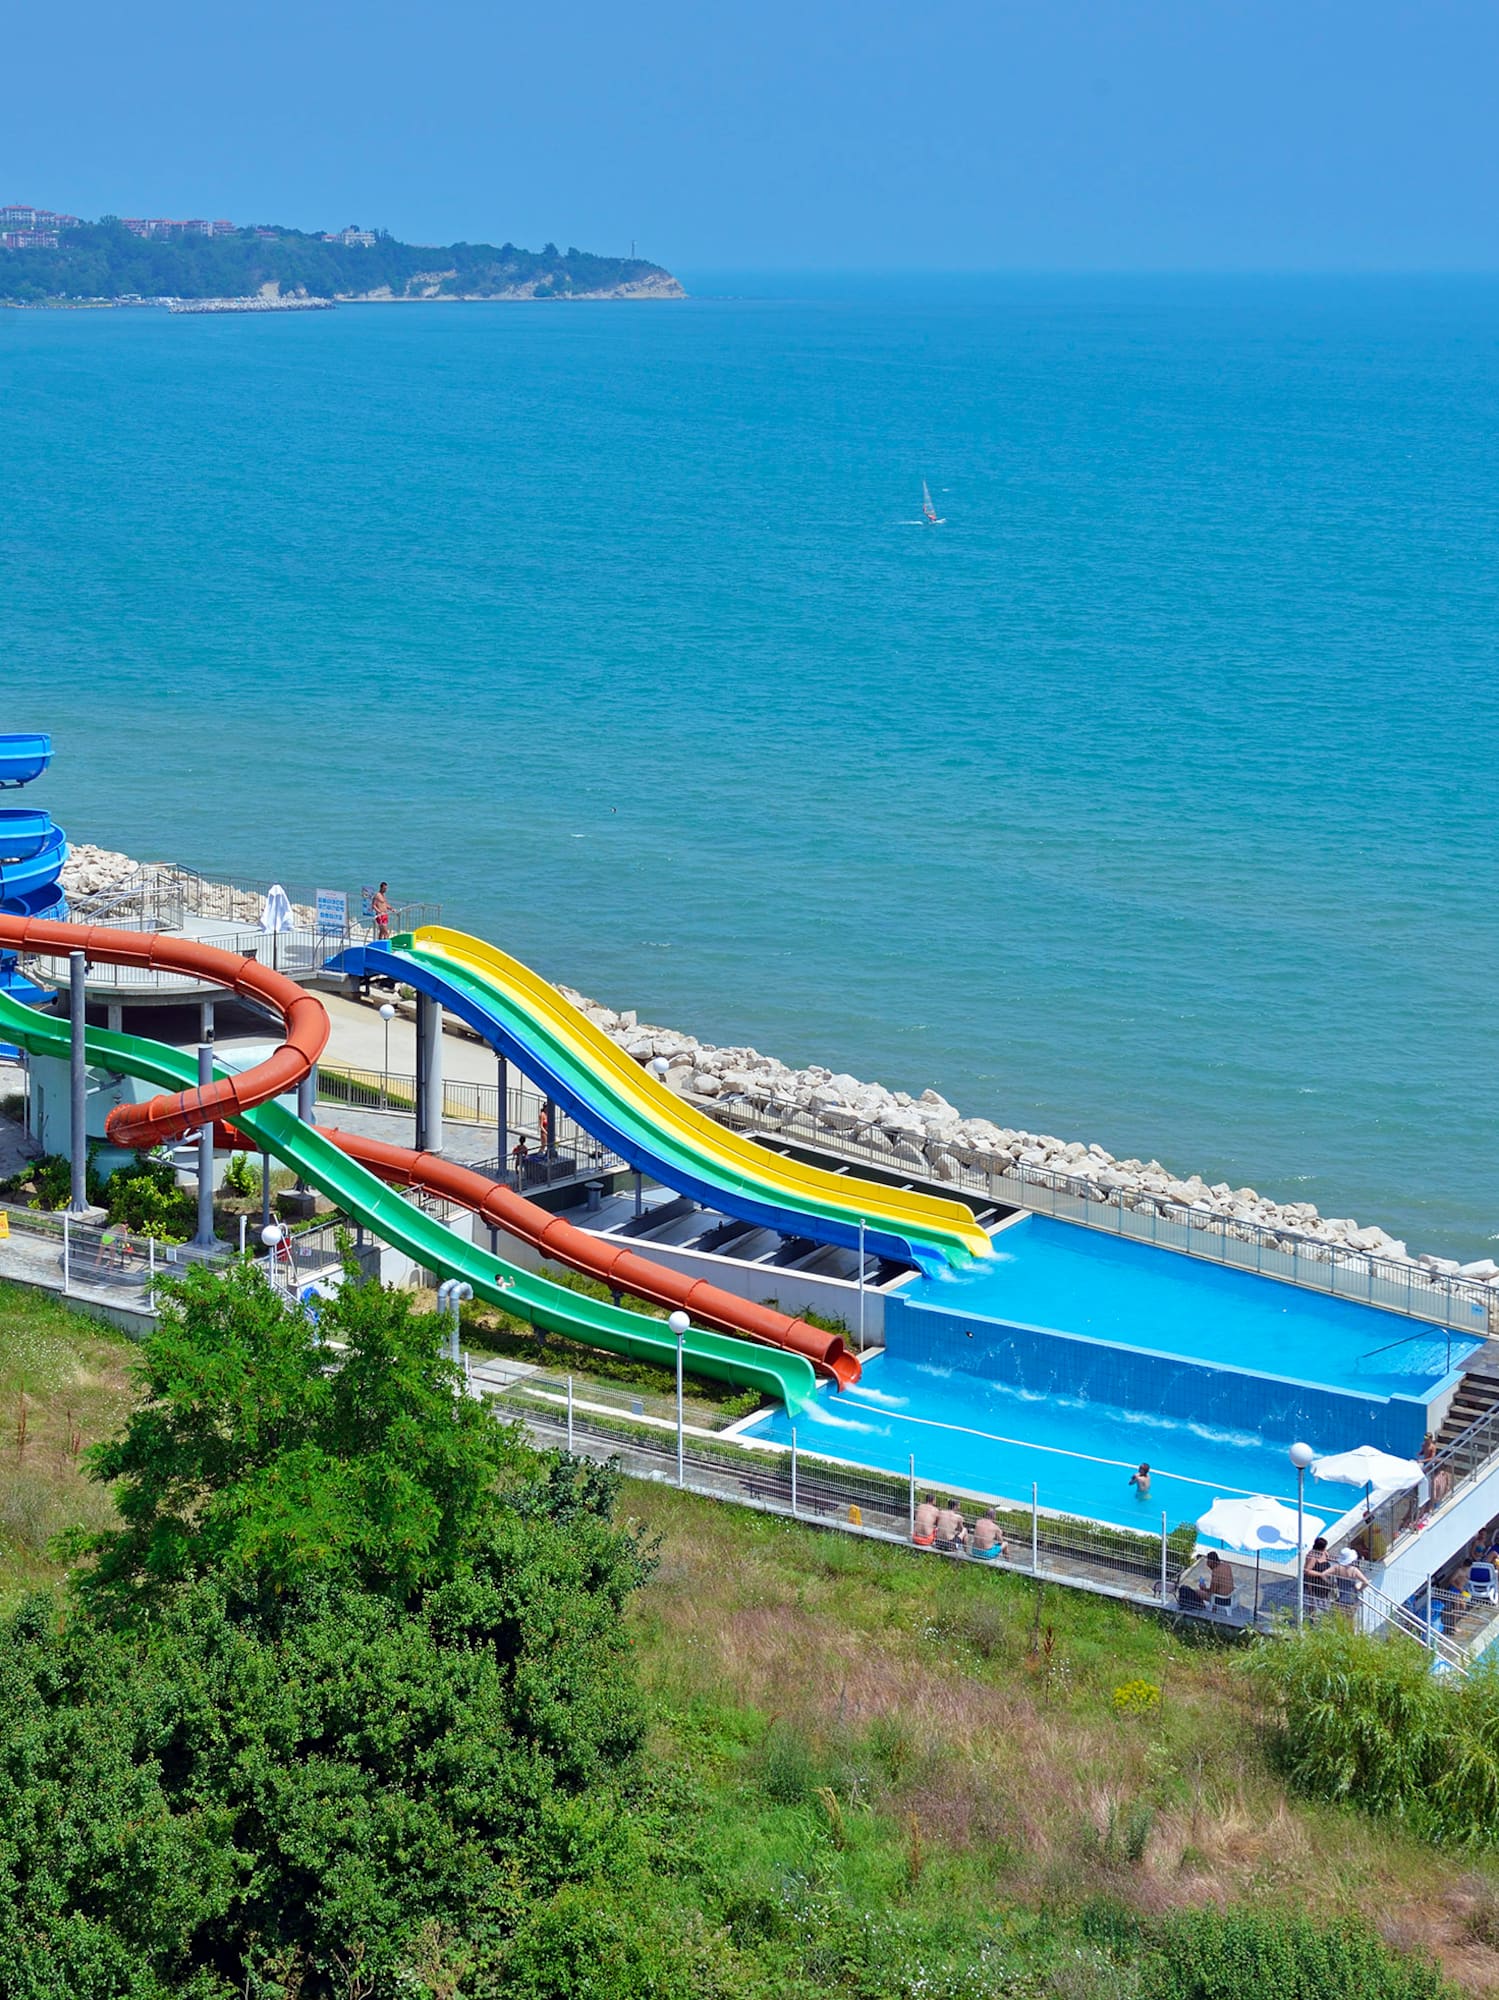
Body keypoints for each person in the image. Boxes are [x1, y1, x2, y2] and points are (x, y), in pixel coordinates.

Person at [1303, 1536, 1335, 1606]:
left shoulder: (1324, 1552)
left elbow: (1328, 1557)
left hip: (1324, 1580)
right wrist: (1321, 1574)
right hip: (1315, 1581)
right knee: (1315, 1602)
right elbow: (1307, 1571)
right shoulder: (1312, 1557)